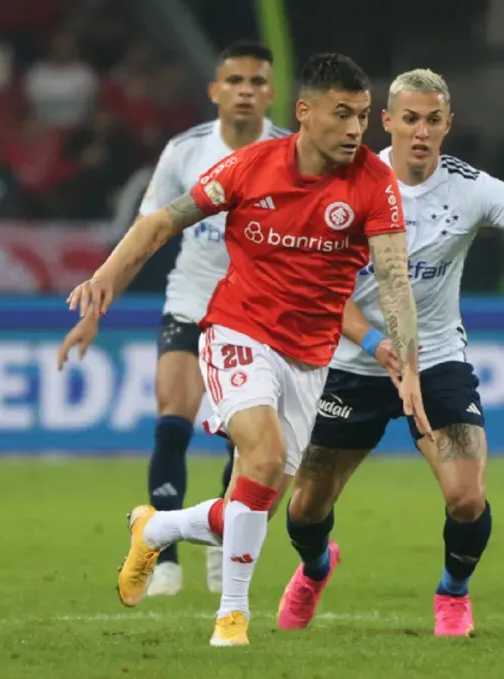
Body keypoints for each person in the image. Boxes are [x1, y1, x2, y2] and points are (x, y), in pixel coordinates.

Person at [60, 53, 431, 647]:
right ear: (305, 113)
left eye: (363, 116)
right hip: (238, 330)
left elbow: (392, 279)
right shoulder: (251, 167)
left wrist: (408, 366)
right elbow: (158, 224)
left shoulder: (372, 182)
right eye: (343, 115)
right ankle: (232, 616)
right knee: (262, 454)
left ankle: (155, 530)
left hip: (310, 357)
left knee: (252, 501)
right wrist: (106, 279)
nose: (358, 130)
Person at [274, 69, 504, 637]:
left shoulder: (472, 188)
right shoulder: (346, 183)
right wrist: (376, 344)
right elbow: (321, 293)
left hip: (434, 360)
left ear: (448, 126)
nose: (421, 131)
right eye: (409, 118)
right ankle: (315, 568)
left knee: (466, 497)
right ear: (386, 122)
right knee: (304, 509)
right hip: (352, 363)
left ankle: (452, 593)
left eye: (433, 120)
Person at [138, 41, 290, 597]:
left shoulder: (290, 153)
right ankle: (163, 557)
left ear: (271, 92)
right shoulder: (184, 152)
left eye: (255, 81)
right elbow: (149, 229)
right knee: (172, 417)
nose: (245, 90)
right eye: (234, 81)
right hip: (190, 300)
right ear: (215, 90)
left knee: (245, 439)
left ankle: (221, 548)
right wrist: (99, 301)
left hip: (258, 310)